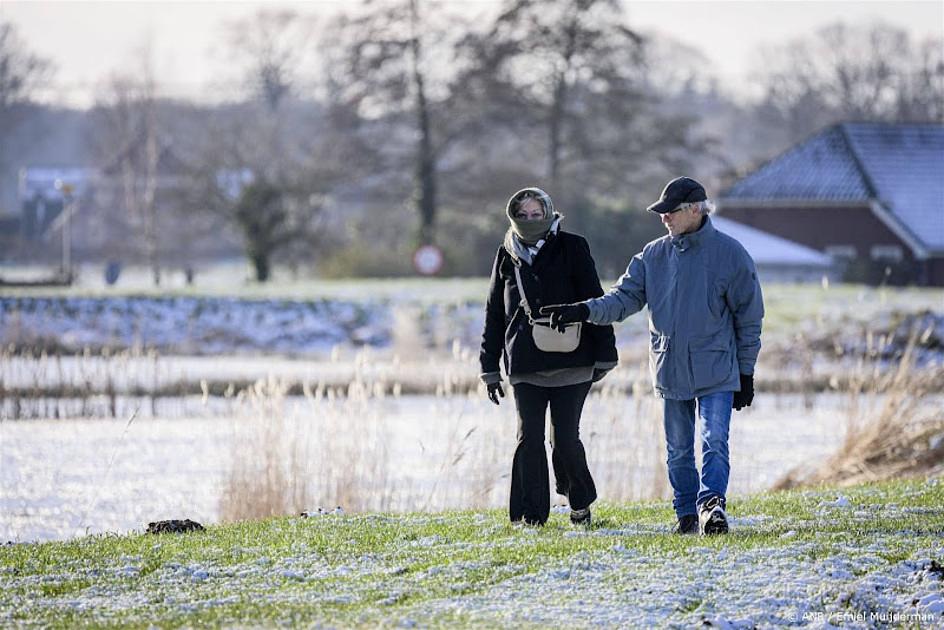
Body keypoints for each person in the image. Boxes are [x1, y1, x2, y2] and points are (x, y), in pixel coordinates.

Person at [540, 177, 764, 535]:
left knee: (714, 440)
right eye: (661, 213)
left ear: (695, 209)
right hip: (670, 368)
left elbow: (749, 317)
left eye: (670, 212)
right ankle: (686, 514)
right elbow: (621, 300)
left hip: (718, 369)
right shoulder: (652, 256)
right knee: (677, 449)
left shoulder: (730, 254)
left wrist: (746, 372)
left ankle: (711, 506)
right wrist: (582, 310)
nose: (664, 219)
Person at [480, 187, 618, 527]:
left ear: (549, 212)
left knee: (566, 439)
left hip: (574, 359)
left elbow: (594, 299)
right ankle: (531, 516)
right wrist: (489, 368)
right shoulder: (505, 255)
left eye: (536, 213)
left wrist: (605, 354)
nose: (530, 220)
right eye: (523, 215)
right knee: (529, 438)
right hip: (525, 361)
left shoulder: (573, 246)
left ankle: (579, 502)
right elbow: (495, 313)